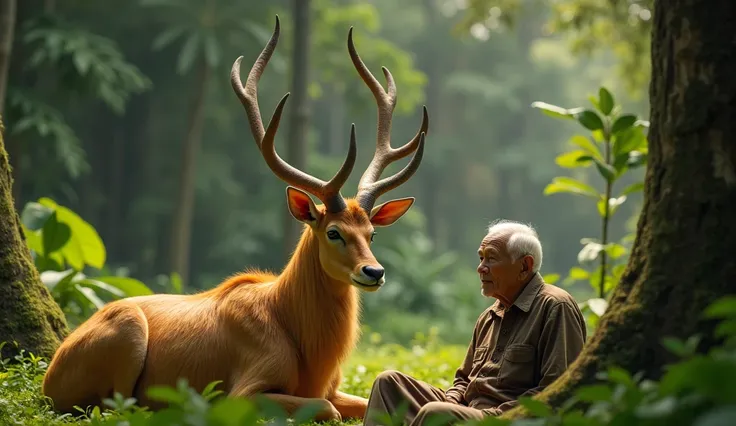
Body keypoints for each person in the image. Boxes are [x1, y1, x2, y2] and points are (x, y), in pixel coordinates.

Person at [363, 219, 587, 426]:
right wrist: (451, 401)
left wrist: (493, 415)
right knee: (388, 382)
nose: (481, 268)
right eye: (481, 258)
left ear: (524, 266)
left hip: (507, 418)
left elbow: (557, 390)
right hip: (468, 410)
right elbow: (463, 379)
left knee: (436, 413)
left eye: (491, 258)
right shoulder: (489, 316)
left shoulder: (556, 306)